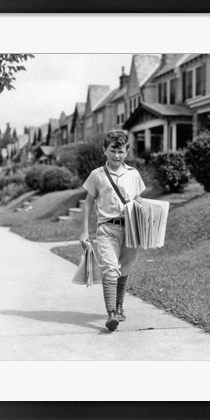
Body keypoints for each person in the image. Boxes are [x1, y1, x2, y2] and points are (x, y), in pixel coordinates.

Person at [79, 130, 146, 331]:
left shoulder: (133, 174)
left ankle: (118, 306)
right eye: (113, 150)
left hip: (131, 229)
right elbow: (88, 202)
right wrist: (85, 231)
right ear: (105, 151)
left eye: (121, 152)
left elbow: (139, 201)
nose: (117, 156)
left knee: (124, 268)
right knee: (109, 268)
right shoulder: (97, 175)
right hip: (107, 229)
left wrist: (148, 224)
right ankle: (110, 315)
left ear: (127, 152)